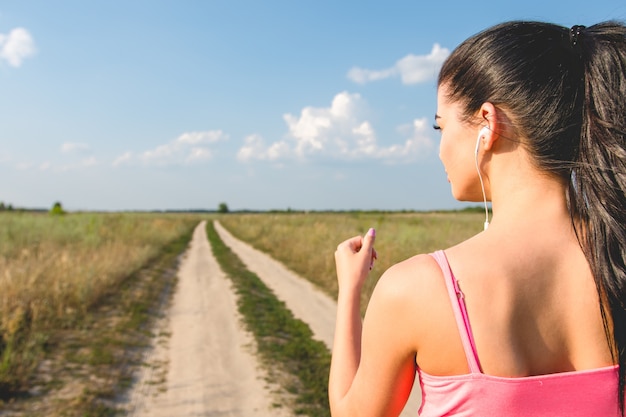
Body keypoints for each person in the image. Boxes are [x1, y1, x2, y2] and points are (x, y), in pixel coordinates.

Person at [329, 20, 626, 416]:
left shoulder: (418, 289)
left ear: (487, 122)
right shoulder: (617, 258)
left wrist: (350, 290)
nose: (439, 150)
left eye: (441, 126)